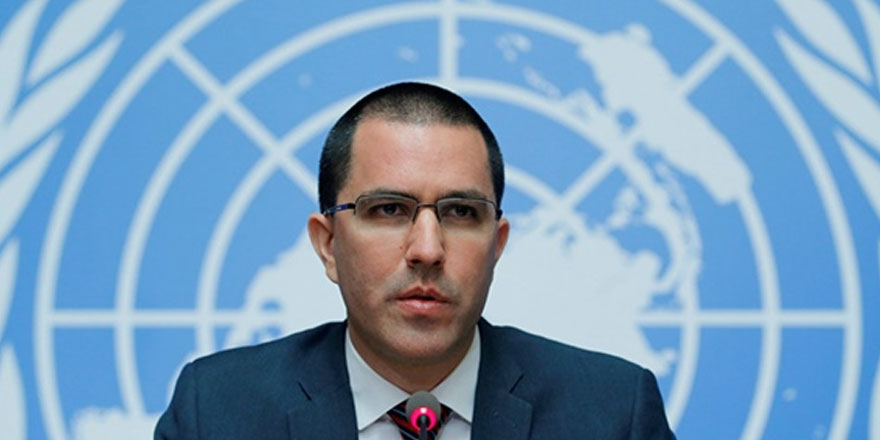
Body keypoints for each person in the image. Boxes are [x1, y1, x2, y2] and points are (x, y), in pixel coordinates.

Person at [154, 82, 676, 439]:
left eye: (461, 212)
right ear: (328, 244)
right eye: (388, 209)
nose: (427, 249)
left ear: (496, 245)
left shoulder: (613, 413)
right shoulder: (217, 411)